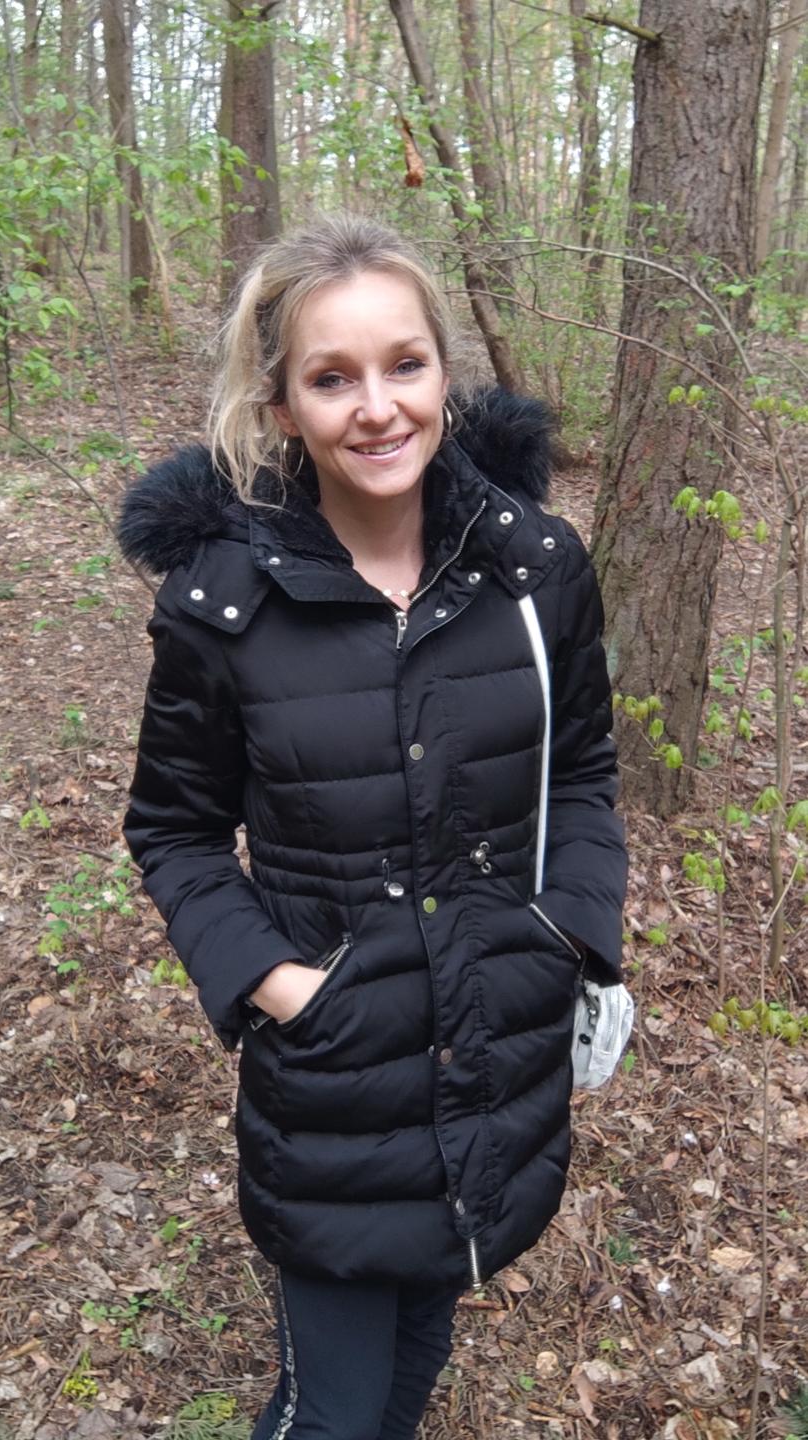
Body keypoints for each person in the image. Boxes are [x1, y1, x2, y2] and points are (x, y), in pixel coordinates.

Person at [118, 212, 628, 1440]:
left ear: (444, 373)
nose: (379, 408)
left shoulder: (534, 571)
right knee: (333, 1412)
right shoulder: (222, 607)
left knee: (414, 1360)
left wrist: (569, 935)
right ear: (283, 405)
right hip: (335, 1080)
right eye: (332, 378)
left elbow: (584, 773)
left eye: (405, 365)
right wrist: (279, 984)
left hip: (496, 1052)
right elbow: (175, 829)